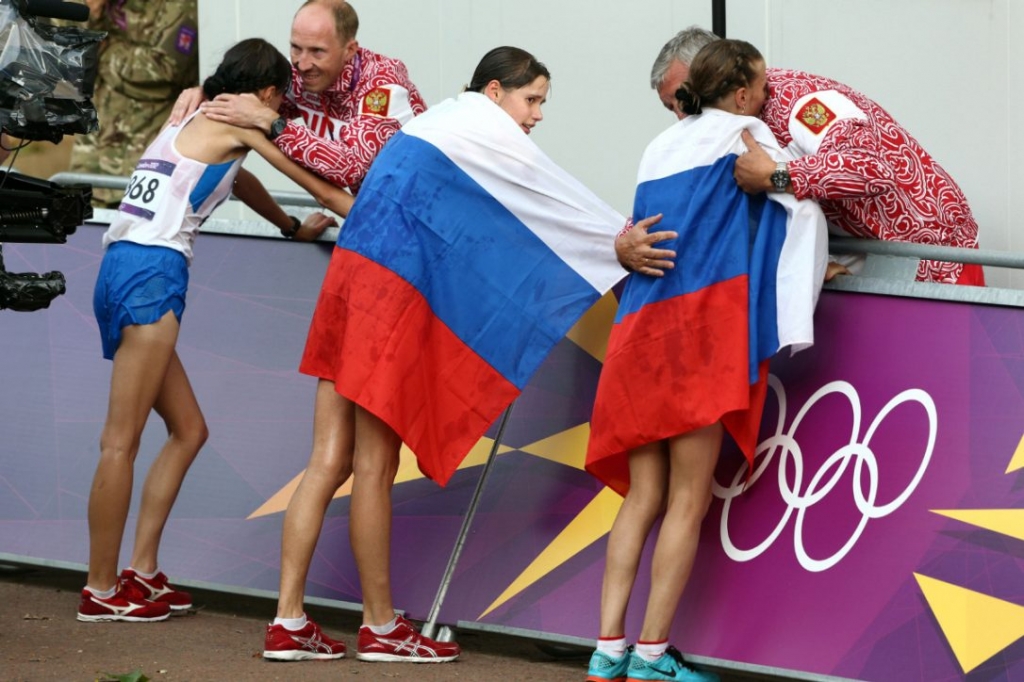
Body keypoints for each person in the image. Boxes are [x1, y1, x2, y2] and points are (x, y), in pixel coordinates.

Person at [260, 44, 632, 663]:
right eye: (532, 99)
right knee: (374, 468)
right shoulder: (483, 129)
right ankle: (380, 626)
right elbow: (554, 198)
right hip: (385, 298)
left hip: (350, 285)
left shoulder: (436, 122)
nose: (537, 115)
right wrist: (619, 238)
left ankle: (287, 620)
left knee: (327, 459)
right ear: (494, 93)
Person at [77, 37, 355, 623]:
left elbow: (240, 180)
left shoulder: (196, 114)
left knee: (189, 430)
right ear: (269, 93)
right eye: (282, 99)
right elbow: (322, 189)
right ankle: (100, 590)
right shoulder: (244, 125)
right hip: (152, 273)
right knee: (119, 441)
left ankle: (143, 571)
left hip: (121, 268)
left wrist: (286, 227)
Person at [584, 40, 828, 682]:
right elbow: (797, 212)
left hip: (642, 333)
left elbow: (644, 228)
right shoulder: (751, 135)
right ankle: (653, 658)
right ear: (744, 92)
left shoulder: (660, 145)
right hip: (700, 336)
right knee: (688, 501)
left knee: (642, 499)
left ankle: (607, 651)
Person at [627, 26, 984, 286]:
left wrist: (776, 175)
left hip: (931, 258)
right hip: (864, 262)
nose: (682, 117)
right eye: (671, 108)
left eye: (685, 99)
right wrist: (628, 239)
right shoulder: (715, 127)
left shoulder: (801, 103)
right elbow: (686, 196)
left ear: (715, 71)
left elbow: (873, 167)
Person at [169, 0, 426, 195]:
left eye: (317, 51)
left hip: (429, 211)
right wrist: (207, 92)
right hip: (382, 214)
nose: (302, 65)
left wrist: (272, 122)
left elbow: (350, 167)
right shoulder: (303, 76)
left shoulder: (381, 84)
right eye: (295, 47)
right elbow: (252, 101)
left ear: (350, 50)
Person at [69, 0, 200, 207]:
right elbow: (64, 57)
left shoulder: (177, 5)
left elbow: (165, 71)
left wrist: (104, 50)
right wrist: (91, 15)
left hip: (143, 161)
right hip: (91, 158)